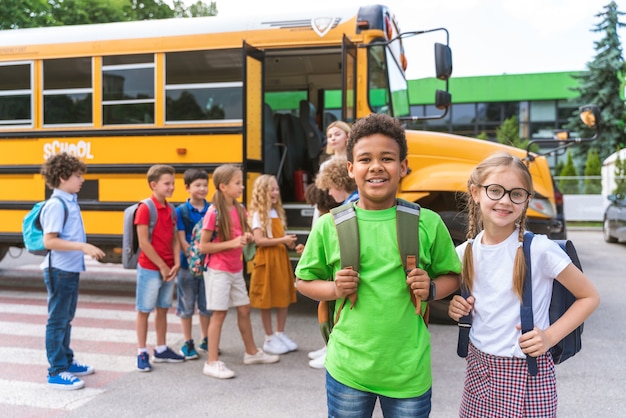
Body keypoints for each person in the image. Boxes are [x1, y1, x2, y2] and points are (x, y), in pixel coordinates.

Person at [295, 113, 461, 417]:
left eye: (387, 158)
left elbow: (453, 275)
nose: (376, 166)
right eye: (365, 159)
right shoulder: (328, 225)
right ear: (350, 168)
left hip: (408, 372)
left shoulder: (429, 223)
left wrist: (433, 288)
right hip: (348, 369)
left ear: (403, 166)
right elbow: (303, 281)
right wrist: (333, 288)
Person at [448, 152, 600, 417]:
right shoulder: (466, 252)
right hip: (479, 370)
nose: (505, 200)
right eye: (495, 190)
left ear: (526, 200)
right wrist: (457, 308)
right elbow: (466, 300)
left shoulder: (539, 249)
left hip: (528, 375)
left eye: (516, 194)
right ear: (475, 192)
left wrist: (550, 336)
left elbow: (589, 296)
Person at [200, 164, 280, 379]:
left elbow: (242, 234)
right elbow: (203, 246)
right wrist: (233, 242)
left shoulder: (239, 209)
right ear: (223, 186)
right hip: (218, 270)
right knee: (219, 314)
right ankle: (212, 361)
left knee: (244, 309)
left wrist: (247, 237)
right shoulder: (213, 212)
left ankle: (252, 352)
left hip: (235, 269)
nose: (242, 186)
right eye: (237, 183)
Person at [39, 153, 105, 390]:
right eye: (78, 176)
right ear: (63, 177)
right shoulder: (56, 205)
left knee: (66, 318)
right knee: (57, 320)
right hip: (59, 270)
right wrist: (82, 246)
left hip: (68, 269)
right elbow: (50, 241)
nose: (82, 180)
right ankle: (56, 371)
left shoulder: (68, 200)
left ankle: (66, 361)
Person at [306, 156, 359, 369]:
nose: (328, 193)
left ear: (338, 183)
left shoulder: (349, 207)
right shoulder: (352, 202)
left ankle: (332, 348)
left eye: (329, 188)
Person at [135, 164, 185, 372]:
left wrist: (176, 262)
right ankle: (142, 351)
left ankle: (161, 348)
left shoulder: (171, 209)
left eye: (173, 183)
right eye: (167, 184)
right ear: (153, 185)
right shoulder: (145, 208)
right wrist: (163, 266)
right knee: (144, 310)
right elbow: (143, 242)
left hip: (167, 267)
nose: (172, 187)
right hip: (150, 267)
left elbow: (174, 238)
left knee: (163, 308)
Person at [247, 174, 299, 355]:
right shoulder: (257, 215)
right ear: (262, 192)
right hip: (266, 260)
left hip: (280, 257)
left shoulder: (277, 212)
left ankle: (280, 333)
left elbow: (279, 239)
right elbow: (259, 241)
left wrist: (290, 243)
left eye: (277, 189)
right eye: (271, 189)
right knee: (266, 299)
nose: (275, 192)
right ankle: (269, 337)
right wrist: (282, 239)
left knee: (283, 294)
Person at [175, 168, 212, 359]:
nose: (203, 189)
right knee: (186, 305)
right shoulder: (181, 211)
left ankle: (205, 339)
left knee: (206, 305)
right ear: (187, 188)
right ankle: (188, 341)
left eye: (205, 185)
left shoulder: (211, 208)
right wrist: (192, 256)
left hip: (208, 264)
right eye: (198, 185)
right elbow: (181, 238)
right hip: (187, 265)